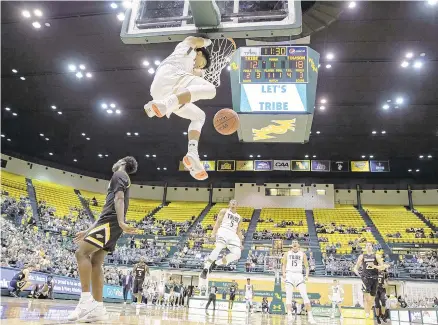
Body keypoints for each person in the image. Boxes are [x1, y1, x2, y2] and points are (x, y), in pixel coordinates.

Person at [68, 157, 139, 322]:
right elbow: (106, 208)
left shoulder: (119, 174)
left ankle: (85, 300)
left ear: (122, 161)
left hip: (110, 221)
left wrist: (121, 222)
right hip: (109, 222)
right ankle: (98, 309)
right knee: (96, 261)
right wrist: (88, 230)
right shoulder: (121, 177)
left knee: (81, 253)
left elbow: (119, 199)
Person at [144, 36, 215, 181]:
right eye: (202, 64)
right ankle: (164, 104)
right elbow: (194, 40)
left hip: (160, 90)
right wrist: (211, 40)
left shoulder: (189, 68)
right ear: (200, 52)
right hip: (171, 76)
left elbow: (196, 73)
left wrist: (199, 72)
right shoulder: (187, 46)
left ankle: (192, 153)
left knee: (199, 116)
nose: (200, 67)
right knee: (210, 89)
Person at [200, 200, 243, 279]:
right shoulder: (224, 211)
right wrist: (213, 233)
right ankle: (206, 269)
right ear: (229, 204)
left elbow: (239, 231)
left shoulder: (239, 217)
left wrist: (240, 243)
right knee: (218, 247)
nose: (233, 203)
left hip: (233, 235)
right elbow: (217, 223)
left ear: (237, 205)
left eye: (235, 202)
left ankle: (217, 263)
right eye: (231, 202)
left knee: (237, 254)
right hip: (223, 231)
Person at [282, 240, 317, 324]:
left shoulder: (303, 254)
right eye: (293, 242)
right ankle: (289, 315)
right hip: (289, 273)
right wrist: (283, 273)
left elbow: (307, 266)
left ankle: (310, 317)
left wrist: (307, 275)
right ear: (291, 245)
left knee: (305, 295)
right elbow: (283, 265)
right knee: (288, 296)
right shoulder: (287, 254)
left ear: (298, 245)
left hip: (299, 274)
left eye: (296, 242)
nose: (294, 243)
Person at [353, 242, 386, 319]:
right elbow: (356, 266)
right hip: (365, 277)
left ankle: (369, 311)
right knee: (366, 298)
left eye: (369, 245)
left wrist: (374, 266)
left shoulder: (377, 256)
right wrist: (355, 270)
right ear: (365, 247)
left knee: (372, 298)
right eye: (367, 245)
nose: (368, 246)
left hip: (375, 278)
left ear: (372, 247)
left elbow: (383, 267)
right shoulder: (362, 256)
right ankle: (367, 312)